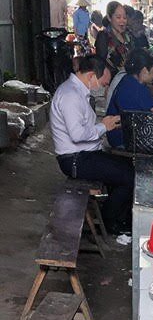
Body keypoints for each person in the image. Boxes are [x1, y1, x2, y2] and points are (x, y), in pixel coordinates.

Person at [50, 55, 135, 234]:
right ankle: (109, 221)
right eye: (103, 83)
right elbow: (77, 135)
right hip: (75, 160)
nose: (103, 88)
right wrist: (104, 126)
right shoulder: (70, 95)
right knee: (129, 177)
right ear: (91, 76)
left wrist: (104, 123)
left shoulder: (77, 92)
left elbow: (84, 127)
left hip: (86, 154)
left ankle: (118, 216)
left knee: (127, 166)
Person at [105, 48, 153, 147]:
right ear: (144, 70)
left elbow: (152, 90)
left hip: (118, 134)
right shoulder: (136, 88)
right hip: (122, 138)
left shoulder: (129, 79)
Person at [95, 1, 135, 75]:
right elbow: (100, 63)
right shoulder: (103, 36)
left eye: (124, 18)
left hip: (128, 78)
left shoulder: (128, 36)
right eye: (118, 17)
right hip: (110, 81)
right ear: (109, 18)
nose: (122, 21)